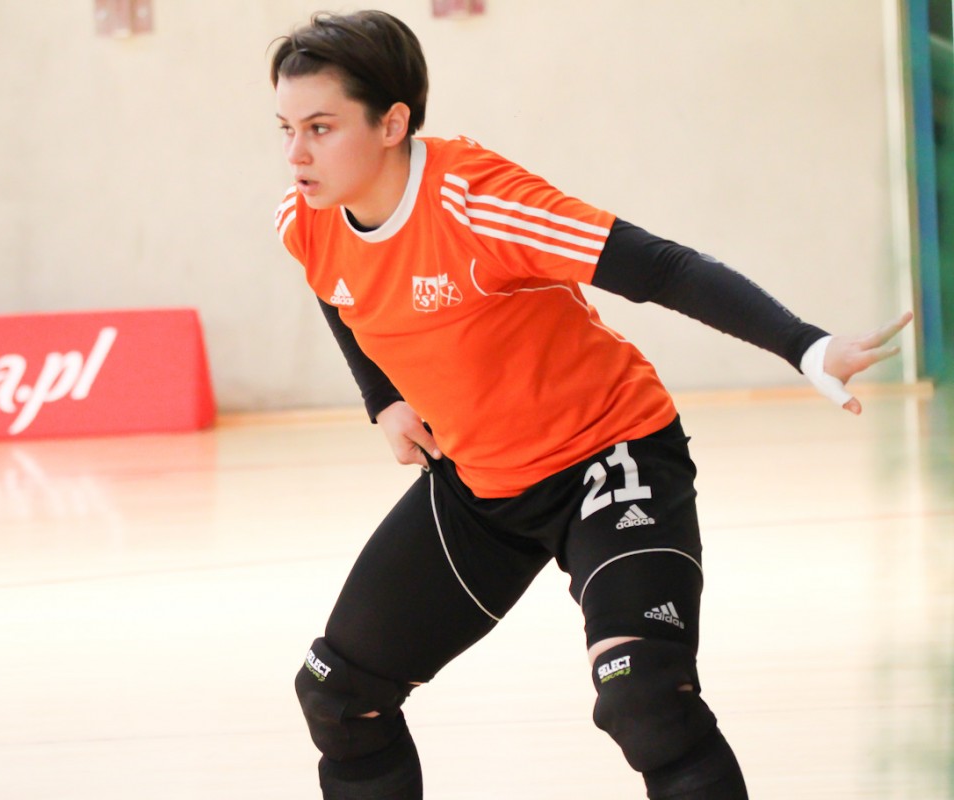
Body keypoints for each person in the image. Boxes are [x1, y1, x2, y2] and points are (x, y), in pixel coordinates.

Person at [269, 10, 912, 799]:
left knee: (645, 699)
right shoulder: (306, 219)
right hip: (482, 484)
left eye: (321, 127)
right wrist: (384, 399)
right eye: (286, 129)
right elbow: (336, 287)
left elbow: (663, 268)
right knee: (340, 699)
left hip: (610, 459)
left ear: (393, 123)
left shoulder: (480, 204)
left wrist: (805, 345)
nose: (296, 154)